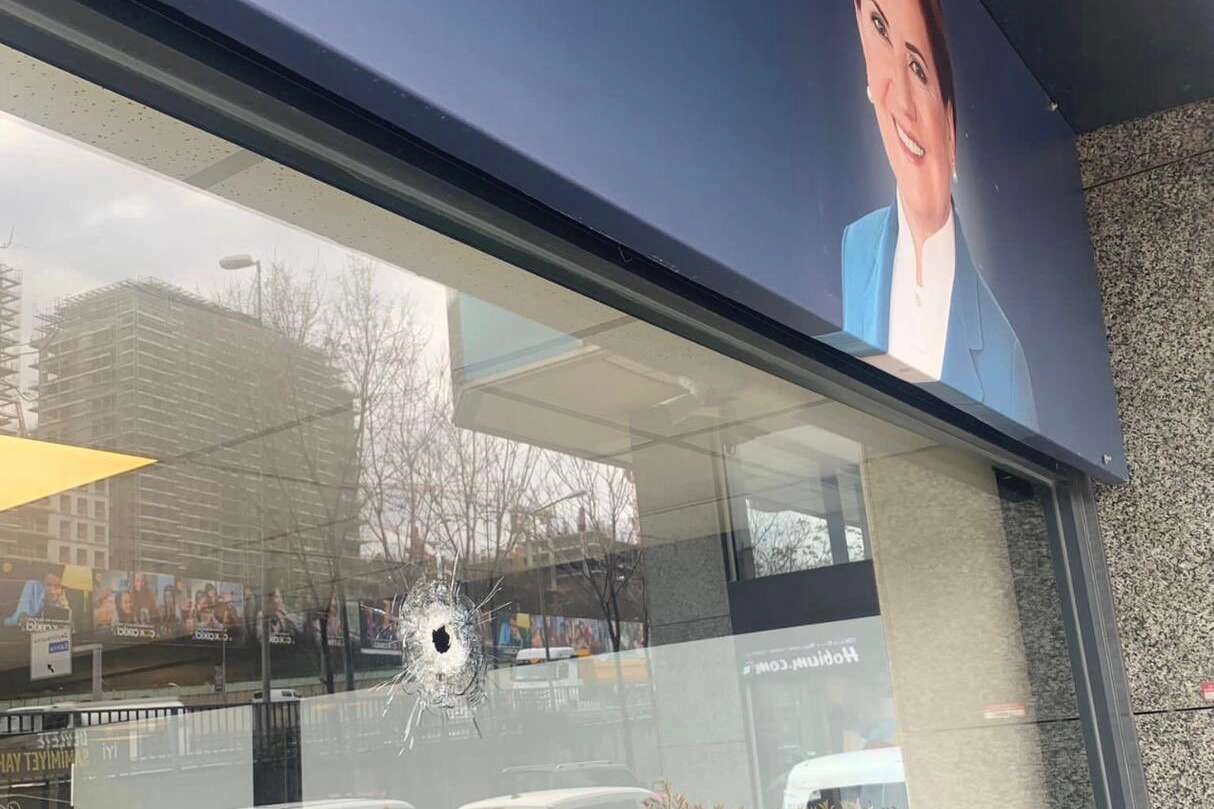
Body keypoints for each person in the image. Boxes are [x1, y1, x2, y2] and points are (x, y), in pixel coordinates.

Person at [824, 0, 1036, 431]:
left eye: (919, 70)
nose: (902, 101)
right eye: (880, 27)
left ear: (951, 124)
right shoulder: (859, 245)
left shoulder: (1003, 356)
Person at [5, 572, 70, 627]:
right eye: (48, 585)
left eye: (57, 586)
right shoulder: (33, 601)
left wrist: (64, 610)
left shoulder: (63, 606)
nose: (52, 591)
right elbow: (16, 621)